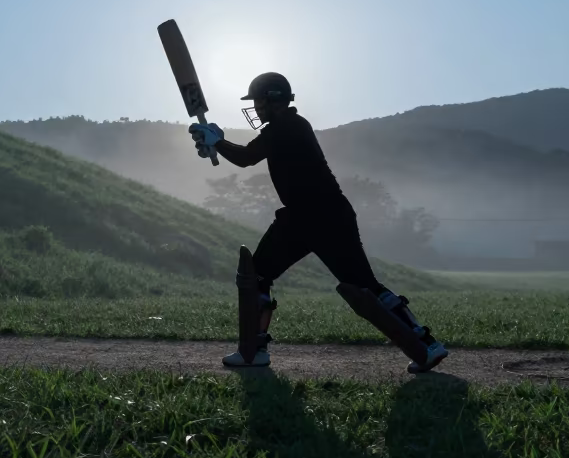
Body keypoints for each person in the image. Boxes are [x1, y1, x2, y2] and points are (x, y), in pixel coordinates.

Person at [188, 72, 449, 373]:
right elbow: (247, 153)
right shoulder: (289, 126)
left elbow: (247, 157)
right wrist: (217, 141)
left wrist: (217, 141)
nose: (256, 108)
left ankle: (253, 352)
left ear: (273, 100)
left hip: (316, 216)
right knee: (353, 284)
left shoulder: (286, 126)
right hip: (317, 215)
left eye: (259, 101)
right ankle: (426, 346)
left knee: (266, 278)